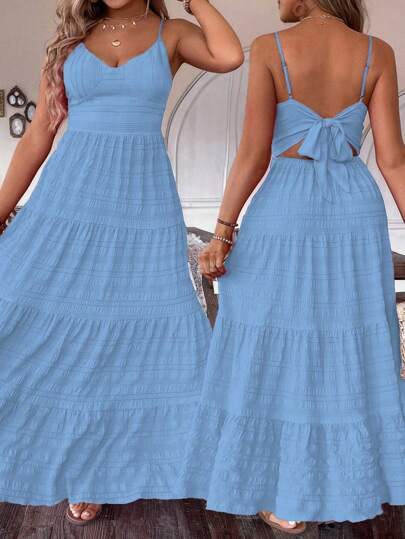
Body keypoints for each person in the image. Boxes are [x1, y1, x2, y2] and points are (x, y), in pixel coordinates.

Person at [0, 0, 243, 525]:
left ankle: (99, 467)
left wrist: (196, 2)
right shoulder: (72, 38)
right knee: (47, 321)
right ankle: (73, 459)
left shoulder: (171, 33)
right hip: (71, 200)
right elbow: (40, 131)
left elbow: (229, 56)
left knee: (127, 331)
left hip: (142, 203)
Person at [178, 0, 405, 532]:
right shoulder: (377, 53)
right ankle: (346, 480)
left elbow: (253, 153)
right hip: (354, 210)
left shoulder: (269, 49)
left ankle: (281, 493)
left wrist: (223, 232)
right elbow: (393, 160)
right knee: (344, 342)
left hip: (286, 205)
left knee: (269, 338)